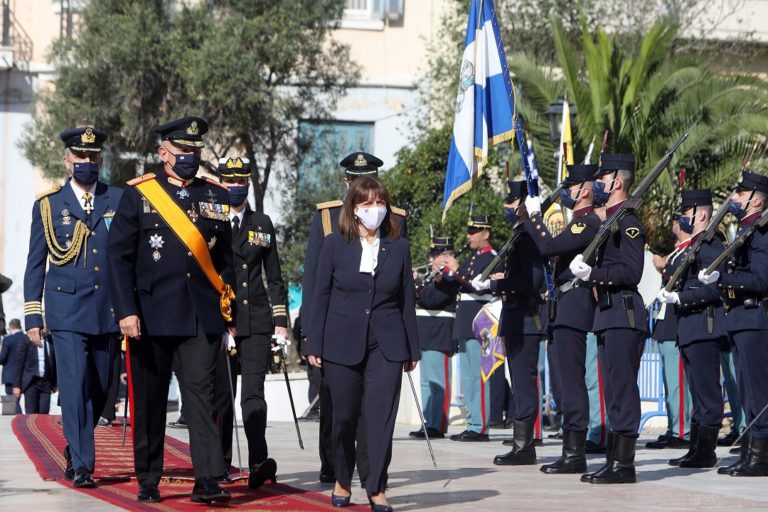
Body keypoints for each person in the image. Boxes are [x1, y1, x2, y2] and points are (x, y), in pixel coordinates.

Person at [107, 116, 235, 503]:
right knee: (150, 397)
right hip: (150, 314)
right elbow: (118, 257)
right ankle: (149, 477)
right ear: (164, 153)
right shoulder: (140, 194)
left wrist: (226, 308)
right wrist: (126, 311)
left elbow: (224, 257)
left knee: (202, 393)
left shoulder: (213, 194)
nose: (190, 158)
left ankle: (209, 478)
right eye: (183, 152)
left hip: (200, 315)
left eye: (195, 152)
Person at [306, 175, 419, 512]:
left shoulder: (398, 246)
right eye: (367, 203)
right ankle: (342, 479)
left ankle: (376, 486)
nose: (375, 210)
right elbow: (320, 294)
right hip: (341, 342)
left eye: (380, 202)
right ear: (353, 208)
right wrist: (313, 340)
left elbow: (406, 300)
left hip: (386, 343)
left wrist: (412, 348)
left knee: (379, 418)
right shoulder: (334, 244)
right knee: (343, 417)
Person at [23, 127, 122, 487]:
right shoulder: (49, 205)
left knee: (100, 389)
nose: (87, 164)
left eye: (93, 158)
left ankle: (76, 446)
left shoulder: (119, 200)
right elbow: (36, 263)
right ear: (67, 161)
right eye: (80, 158)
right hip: (66, 311)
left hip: (108, 309)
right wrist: (33, 313)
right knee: (76, 384)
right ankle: (83, 464)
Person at [569, 153, 648, 484]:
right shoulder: (610, 220)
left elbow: (632, 272)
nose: (596, 184)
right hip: (608, 316)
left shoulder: (628, 222)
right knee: (614, 390)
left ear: (617, 182)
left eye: (601, 178)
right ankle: (615, 460)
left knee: (623, 389)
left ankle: (624, 464)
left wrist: (592, 274)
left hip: (624, 313)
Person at [519, 164, 602, 473]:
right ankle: (570, 449)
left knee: (571, 382)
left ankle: (575, 454)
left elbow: (550, 246)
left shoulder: (587, 223)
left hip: (574, 306)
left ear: (585, 190)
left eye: (572, 186)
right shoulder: (575, 223)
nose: (566, 191)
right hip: (561, 306)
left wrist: (535, 218)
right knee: (564, 383)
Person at [214, 156, 288, 488]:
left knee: (253, 395)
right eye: (229, 182)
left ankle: (259, 461)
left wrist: (281, 322)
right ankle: (219, 462)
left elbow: (275, 277)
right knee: (220, 397)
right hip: (221, 321)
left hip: (256, 319)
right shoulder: (210, 220)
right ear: (220, 183)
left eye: (241, 182)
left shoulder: (262, 223)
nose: (235, 187)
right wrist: (218, 319)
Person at [699, 170, 768, 477]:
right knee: (747, 392)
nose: (733, 199)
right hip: (740, 318)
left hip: (755, 319)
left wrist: (723, 278)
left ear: (756, 199)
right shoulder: (745, 231)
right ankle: (752, 453)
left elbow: (761, 279)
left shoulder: (762, 233)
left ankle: (760, 456)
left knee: (758, 392)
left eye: (740, 194)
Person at [656, 189, 727, 468]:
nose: (682, 219)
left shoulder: (710, 246)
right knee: (697, 393)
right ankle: (696, 448)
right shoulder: (692, 247)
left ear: (701, 215)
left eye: (686, 214)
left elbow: (712, 290)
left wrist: (681, 297)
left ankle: (706, 452)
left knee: (707, 393)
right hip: (689, 328)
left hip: (704, 326)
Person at [483, 180, 547, 465]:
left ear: (524, 204)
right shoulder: (520, 235)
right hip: (515, 318)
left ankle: (525, 445)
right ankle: (522, 443)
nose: (507, 208)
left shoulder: (530, 235)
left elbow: (532, 280)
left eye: (512, 202)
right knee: (519, 381)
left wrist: (500, 284)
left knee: (523, 382)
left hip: (525, 318)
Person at [440, 214, 496, 442]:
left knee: (478, 376)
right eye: (469, 231)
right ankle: (473, 421)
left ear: (486, 233)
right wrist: (443, 274)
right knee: (468, 376)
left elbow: (479, 285)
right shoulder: (473, 257)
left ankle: (479, 425)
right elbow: (460, 282)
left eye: (474, 232)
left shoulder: (491, 257)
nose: (469, 236)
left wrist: (455, 270)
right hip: (466, 321)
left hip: (480, 321)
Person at [646, 215, 692, 449]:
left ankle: (683, 430)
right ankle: (675, 425)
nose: (673, 225)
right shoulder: (677, 253)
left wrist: (665, 268)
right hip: (666, 322)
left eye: (678, 219)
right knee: (669, 381)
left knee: (677, 382)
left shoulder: (689, 251)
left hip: (676, 321)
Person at [410, 236, 458, 439]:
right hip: (425, 332)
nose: (432, 258)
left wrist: (416, 283)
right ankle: (428, 422)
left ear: (447, 256)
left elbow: (431, 299)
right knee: (425, 382)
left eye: (437, 254)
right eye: (432, 254)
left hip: (439, 332)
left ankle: (437, 425)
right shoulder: (433, 276)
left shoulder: (448, 277)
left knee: (438, 382)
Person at [18, 327, 57, 414]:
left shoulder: (51, 339)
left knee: (44, 412)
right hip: (31, 381)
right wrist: (17, 385)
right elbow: (19, 363)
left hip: (46, 382)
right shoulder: (26, 339)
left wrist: (55, 383)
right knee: (31, 413)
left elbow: (55, 362)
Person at [0, 319, 27, 414]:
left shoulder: (8, 339)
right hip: (26, 374)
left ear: (11, 327)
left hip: (10, 375)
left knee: (13, 402)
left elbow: (2, 358)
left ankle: (19, 421)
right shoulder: (26, 338)